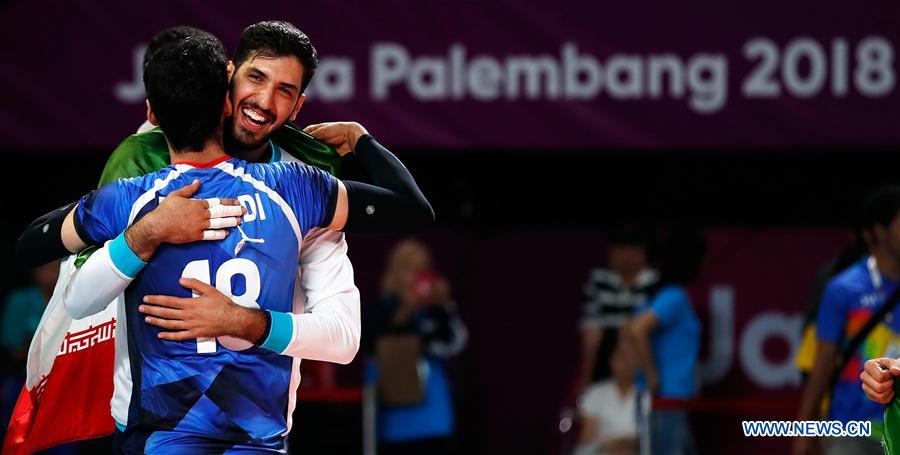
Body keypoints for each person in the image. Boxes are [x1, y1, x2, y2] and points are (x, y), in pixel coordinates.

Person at [8, 21, 429, 453]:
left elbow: (344, 332)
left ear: (299, 106)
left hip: (246, 428)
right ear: (227, 81)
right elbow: (78, 288)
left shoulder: (301, 178)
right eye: (256, 78)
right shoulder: (146, 158)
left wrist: (360, 139)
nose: (264, 102)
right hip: (152, 419)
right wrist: (148, 231)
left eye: (284, 91)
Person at [795, 186, 900, 455]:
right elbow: (823, 365)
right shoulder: (843, 289)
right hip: (852, 431)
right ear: (878, 230)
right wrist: (805, 431)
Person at [362, 239, 467, 455]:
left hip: (433, 418)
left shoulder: (435, 309)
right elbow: (370, 346)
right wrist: (405, 311)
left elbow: (453, 344)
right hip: (393, 418)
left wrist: (444, 306)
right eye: (412, 268)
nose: (419, 276)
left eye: (424, 268)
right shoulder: (381, 308)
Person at [620, 228, 703, 455]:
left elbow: (628, 331)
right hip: (666, 400)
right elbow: (636, 330)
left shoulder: (655, 295)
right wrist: (651, 376)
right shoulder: (674, 295)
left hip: (661, 400)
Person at [576, 225, 657, 395]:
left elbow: (643, 332)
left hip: (642, 359)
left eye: (619, 249)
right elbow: (592, 333)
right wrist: (585, 380)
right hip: (605, 360)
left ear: (638, 253)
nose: (612, 254)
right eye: (612, 248)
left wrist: (648, 376)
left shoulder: (655, 282)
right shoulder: (600, 279)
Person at [575, 341, 638, 455]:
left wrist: (626, 444)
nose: (627, 363)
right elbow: (587, 436)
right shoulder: (595, 393)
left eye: (632, 357)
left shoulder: (647, 395)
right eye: (622, 357)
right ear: (611, 361)